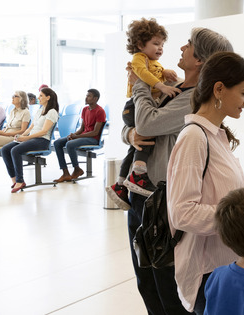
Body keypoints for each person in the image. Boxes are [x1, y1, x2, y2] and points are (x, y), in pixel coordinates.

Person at [117, 27, 234, 314]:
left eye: (189, 45)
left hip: (160, 200)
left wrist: (139, 83)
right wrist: (128, 134)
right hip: (139, 195)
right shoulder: (172, 87)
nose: (181, 47)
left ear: (201, 61)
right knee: (146, 282)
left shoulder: (192, 98)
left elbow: (148, 123)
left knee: (167, 287)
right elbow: (135, 127)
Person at [167, 51, 244, 314]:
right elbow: (182, 213)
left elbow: (216, 196)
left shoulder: (216, 136)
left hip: (222, 263)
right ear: (219, 89)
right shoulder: (194, 138)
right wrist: (241, 215)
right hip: (206, 270)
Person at [113, 18, 181, 197]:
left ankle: (121, 182)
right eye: (156, 43)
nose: (160, 48)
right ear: (140, 45)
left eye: (162, 44)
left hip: (140, 105)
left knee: (137, 143)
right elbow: (142, 74)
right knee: (144, 138)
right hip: (133, 105)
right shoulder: (139, 59)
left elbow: (155, 72)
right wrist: (162, 86)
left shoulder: (154, 62)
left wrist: (165, 72)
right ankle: (139, 172)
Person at [1, 87, 59, 192]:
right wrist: (21, 136)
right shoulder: (40, 110)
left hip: (42, 141)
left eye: (41, 95)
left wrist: (26, 138)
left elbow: (44, 131)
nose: (38, 97)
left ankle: (20, 181)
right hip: (32, 139)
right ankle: (14, 180)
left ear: (48, 97)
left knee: (15, 150)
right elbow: (31, 127)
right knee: (5, 149)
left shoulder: (52, 112)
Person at [53, 89, 106, 182]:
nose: (86, 98)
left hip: (93, 139)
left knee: (70, 144)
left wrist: (76, 137)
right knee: (57, 143)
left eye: (89, 96)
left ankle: (77, 169)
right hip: (83, 136)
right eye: (86, 95)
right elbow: (82, 129)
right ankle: (65, 173)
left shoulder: (100, 111)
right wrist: (73, 134)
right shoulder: (85, 109)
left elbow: (95, 132)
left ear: (95, 99)